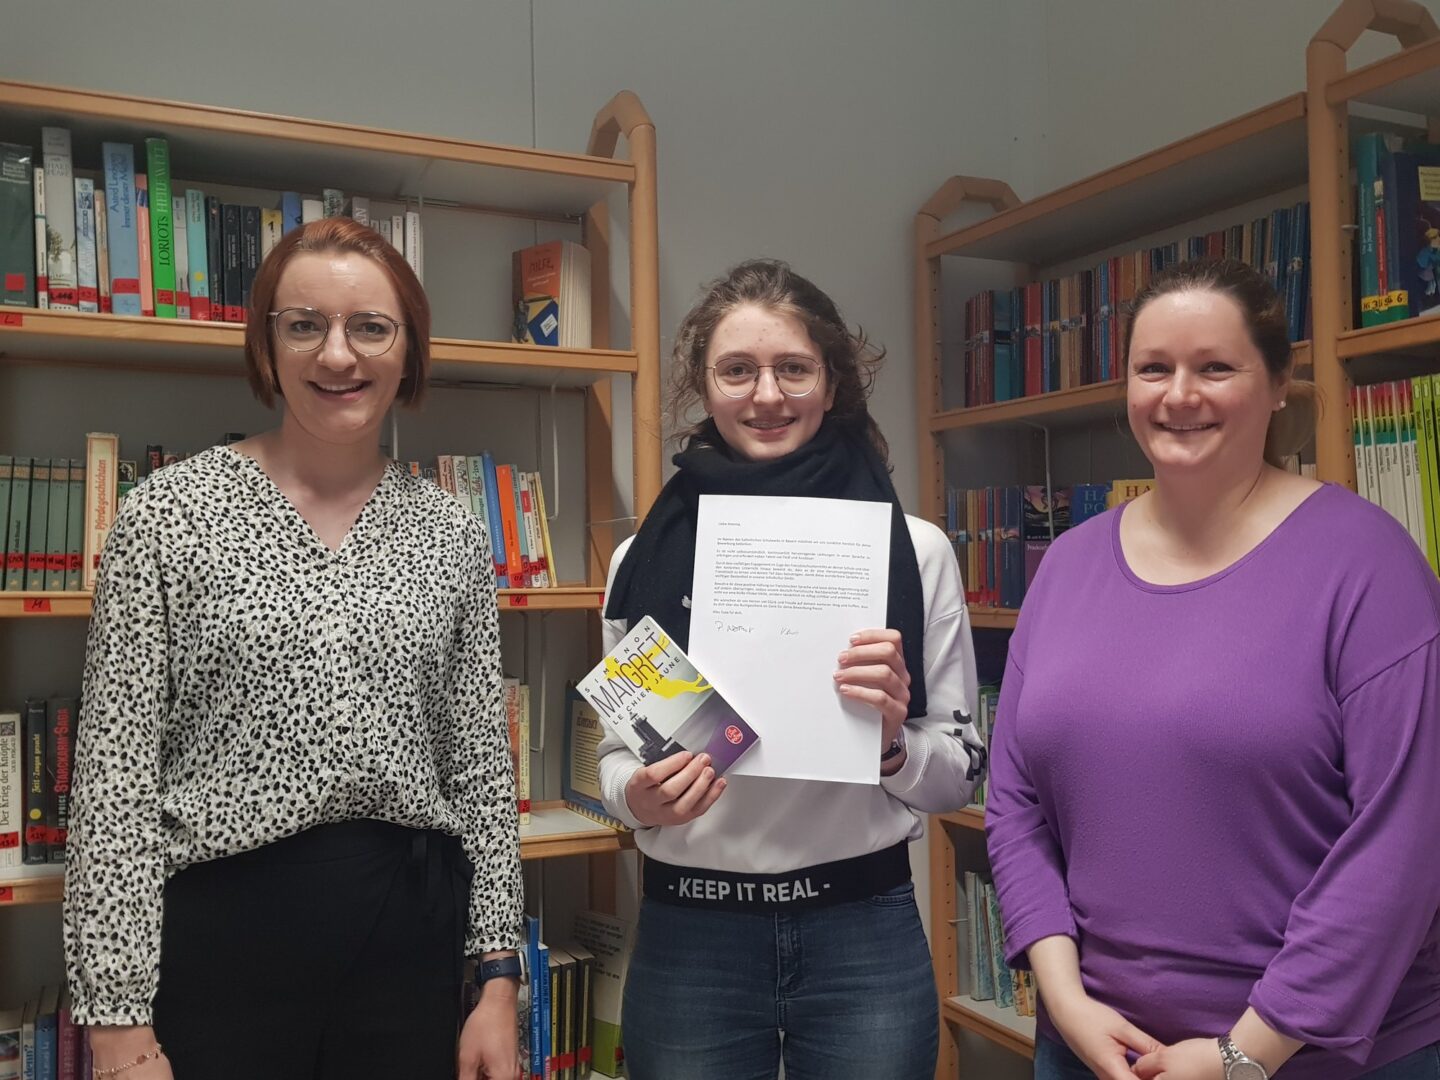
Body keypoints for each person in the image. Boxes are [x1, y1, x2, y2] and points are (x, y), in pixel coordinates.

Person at [63, 218, 524, 1080]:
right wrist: (118, 1026)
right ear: (267, 346)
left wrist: (499, 981)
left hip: (407, 946)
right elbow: (114, 779)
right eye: (304, 324)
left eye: (371, 327)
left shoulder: (451, 533)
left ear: (408, 351)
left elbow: (479, 768)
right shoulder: (167, 515)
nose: (337, 355)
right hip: (222, 945)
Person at [985, 257, 1440, 1080]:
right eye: (1153, 369)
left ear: (1279, 385)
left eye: (1216, 367)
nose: (1179, 395)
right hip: (1094, 1046)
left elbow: (1404, 840)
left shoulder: (1369, 565)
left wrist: (1245, 1054)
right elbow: (1014, 804)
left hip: (1314, 1056)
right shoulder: (1067, 566)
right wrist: (1065, 999)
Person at [596, 258, 987, 1080]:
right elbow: (614, 761)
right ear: (704, 387)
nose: (766, 395)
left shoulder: (913, 551)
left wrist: (891, 745)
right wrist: (639, 798)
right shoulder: (643, 558)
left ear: (832, 382)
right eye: (737, 370)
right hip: (692, 931)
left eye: (794, 369)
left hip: (860, 929)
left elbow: (957, 775)